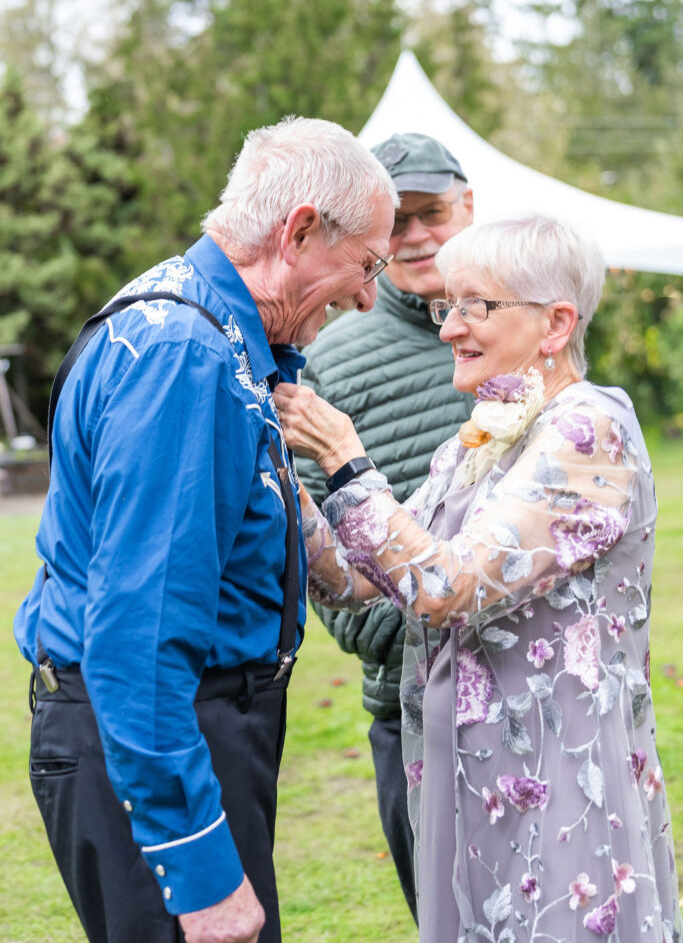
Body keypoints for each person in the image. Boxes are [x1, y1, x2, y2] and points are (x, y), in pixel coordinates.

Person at [14, 115, 397, 943]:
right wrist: (196, 864)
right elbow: (139, 637)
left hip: (180, 730)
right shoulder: (184, 359)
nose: (369, 295)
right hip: (154, 739)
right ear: (299, 231)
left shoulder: (215, 335)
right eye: (366, 264)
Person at [274, 214, 682, 943]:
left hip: (559, 778)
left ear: (555, 323)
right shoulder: (482, 437)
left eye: (474, 306)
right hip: (473, 781)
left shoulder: (589, 430)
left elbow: (443, 588)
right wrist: (280, 475)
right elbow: (361, 579)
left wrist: (346, 459)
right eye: (445, 306)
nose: (447, 329)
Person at [297, 132, 474, 920]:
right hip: (407, 708)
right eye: (394, 221)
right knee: (440, 917)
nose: (414, 237)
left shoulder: (528, 329)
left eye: (431, 213)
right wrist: (414, 634)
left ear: (469, 209)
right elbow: (308, 542)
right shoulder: (328, 357)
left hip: (532, 696)